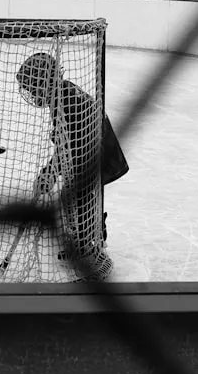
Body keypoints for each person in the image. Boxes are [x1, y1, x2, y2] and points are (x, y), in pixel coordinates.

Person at [15, 52, 129, 275]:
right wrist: (52, 171)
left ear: (42, 83)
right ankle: (85, 241)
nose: (29, 92)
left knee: (80, 200)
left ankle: (91, 251)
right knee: (73, 200)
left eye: (31, 86)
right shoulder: (61, 94)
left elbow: (69, 144)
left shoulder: (65, 101)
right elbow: (66, 144)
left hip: (98, 157)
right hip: (88, 154)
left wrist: (51, 171)